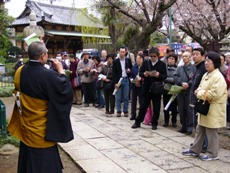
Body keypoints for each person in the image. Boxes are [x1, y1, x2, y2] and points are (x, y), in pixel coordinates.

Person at [8, 41, 74, 173]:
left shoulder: (19, 71)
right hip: (41, 133)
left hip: (26, 129)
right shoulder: (48, 75)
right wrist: (61, 70)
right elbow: (65, 91)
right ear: (43, 56)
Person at [182, 52, 227, 161]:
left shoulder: (218, 77)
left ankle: (213, 153)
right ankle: (195, 149)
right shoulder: (206, 74)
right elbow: (200, 88)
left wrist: (199, 93)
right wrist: (200, 92)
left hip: (213, 109)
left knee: (211, 132)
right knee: (200, 129)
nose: (206, 63)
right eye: (206, 61)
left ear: (215, 63)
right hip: (204, 107)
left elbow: (213, 94)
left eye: (209, 61)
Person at [132, 47, 167, 130]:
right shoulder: (146, 62)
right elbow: (140, 73)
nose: (153, 58)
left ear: (158, 56)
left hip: (156, 87)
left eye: (154, 56)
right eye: (151, 56)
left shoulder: (162, 64)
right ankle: (138, 121)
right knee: (143, 105)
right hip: (147, 86)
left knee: (156, 106)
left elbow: (164, 76)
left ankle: (154, 123)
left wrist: (158, 75)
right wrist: (144, 74)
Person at [173, 51, 196, 135]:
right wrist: (181, 82)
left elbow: (194, 78)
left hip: (189, 92)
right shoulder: (179, 68)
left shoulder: (194, 68)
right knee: (181, 109)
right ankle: (183, 126)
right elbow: (175, 77)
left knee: (189, 110)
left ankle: (190, 127)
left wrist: (188, 84)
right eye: (183, 56)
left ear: (190, 57)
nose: (184, 57)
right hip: (180, 90)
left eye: (186, 56)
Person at [113, 46, 132, 117]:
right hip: (118, 80)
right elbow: (114, 73)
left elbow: (131, 69)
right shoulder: (115, 61)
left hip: (126, 79)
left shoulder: (128, 60)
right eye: (121, 52)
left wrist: (129, 71)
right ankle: (118, 110)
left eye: (123, 52)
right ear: (119, 52)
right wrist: (115, 83)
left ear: (125, 52)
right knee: (118, 97)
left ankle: (126, 110)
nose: (122, 53)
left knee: (126, 96)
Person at [163, 53, 178, 127]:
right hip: (165, 89)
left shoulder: (177, 69)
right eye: (170, 58)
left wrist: (166, 79)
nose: (171, 60)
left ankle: (174, 121)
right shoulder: (164, 68)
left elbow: (175, 79)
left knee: (174, 107)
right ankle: (166, 121)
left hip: (174, 90)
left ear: (175, 60)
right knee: (166, 106)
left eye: (173, 59)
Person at [130, 54, 144, 120]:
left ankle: (140, 116)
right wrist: (132, 80)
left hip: (141, 87)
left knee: (141, 101)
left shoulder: (144, 67)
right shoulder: (134, 67)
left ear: (141, 59)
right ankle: (133, 115)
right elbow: (131, 76)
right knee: (133, 101)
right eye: (136, 58)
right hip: (134, 86)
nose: (137, 60)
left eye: (138, 58)